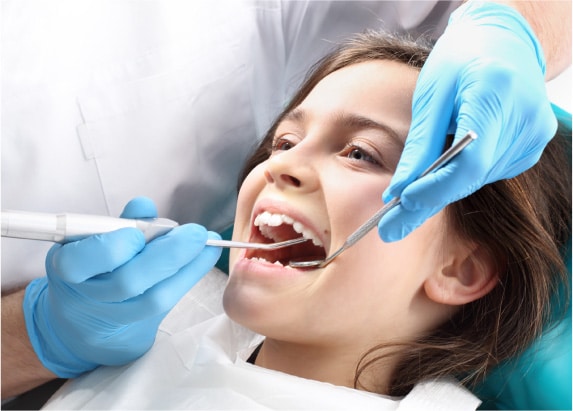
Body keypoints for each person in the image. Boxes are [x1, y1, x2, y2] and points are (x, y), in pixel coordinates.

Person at [2, 0, 571, 404]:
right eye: (284, 140)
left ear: (461, 268)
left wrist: (515, 24)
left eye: (360, 153)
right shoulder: (166, 319)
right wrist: (38, 334)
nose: (280, 165)